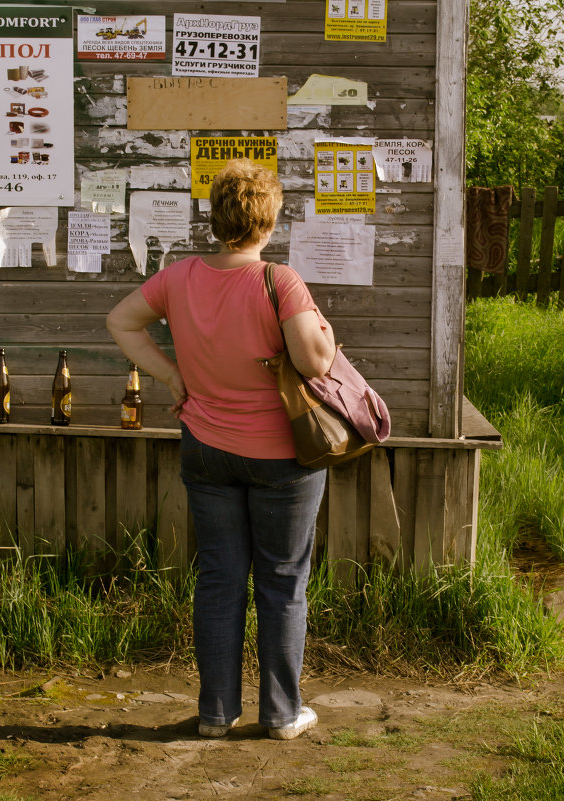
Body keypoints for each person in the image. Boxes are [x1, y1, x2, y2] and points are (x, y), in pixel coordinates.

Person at [106, 159, 336, 740]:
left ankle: (215, 713)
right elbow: (313, 363)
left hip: (205, 448)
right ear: (269, 218)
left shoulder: (178, 277)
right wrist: (326, 338)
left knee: (219, 579)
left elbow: (121, 322)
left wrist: (169, 377)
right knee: (282, 581)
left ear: (215, 217)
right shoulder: (279, 282)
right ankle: (283, 715)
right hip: (282, 456)